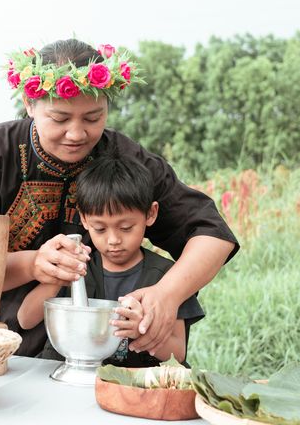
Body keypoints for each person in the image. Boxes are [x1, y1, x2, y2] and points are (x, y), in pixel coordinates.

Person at [0, 38, 238, 357]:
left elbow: (211, 234)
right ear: (30, 104)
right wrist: (32, 264)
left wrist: (166, 295)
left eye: (93, 118)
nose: (76, 134)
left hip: (91, 351)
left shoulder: (125, 159)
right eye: (59, 119)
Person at [18, 153, 205, 367]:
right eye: (100, 229)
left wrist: (142, 332)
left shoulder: (166, 277)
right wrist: (56, 278)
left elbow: (178, 353)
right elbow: (26, 319)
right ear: (85, 219)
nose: (114, 240)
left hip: (135, 387)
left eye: (126, 228)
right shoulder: (76, 267)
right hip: (71, 380)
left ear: (150, 214)